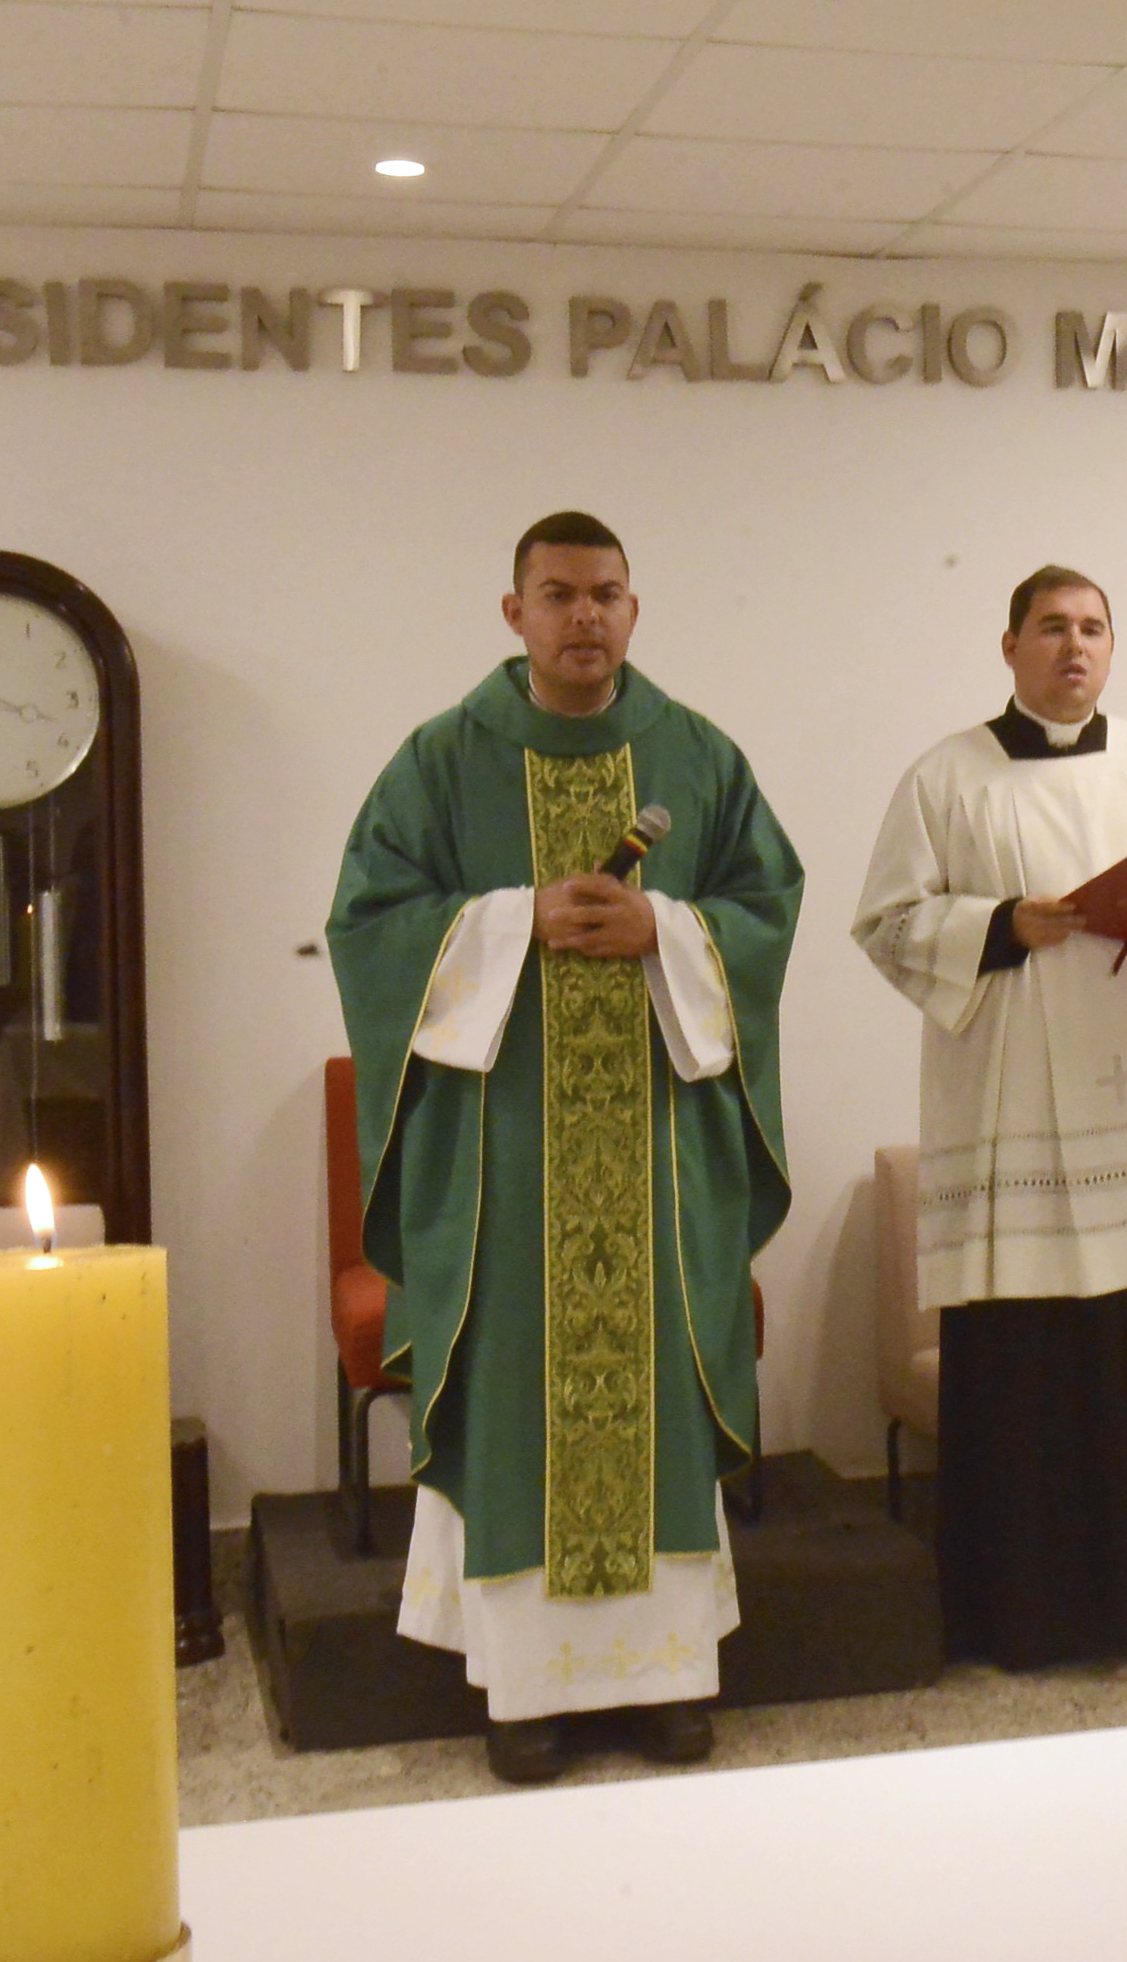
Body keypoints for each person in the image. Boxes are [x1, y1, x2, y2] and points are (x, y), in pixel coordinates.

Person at [329, 511, 800, 1781]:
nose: (584, 616)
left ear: (633, 609)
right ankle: (523, 1690)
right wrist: (509, 921)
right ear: (515, 612)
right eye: (558, 594)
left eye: (605, 594)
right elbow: (367, 923)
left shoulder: (698, 756)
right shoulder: (443, 759)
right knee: (513, 1402)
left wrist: (669, 933)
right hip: (502, 1163)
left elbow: (767, 906)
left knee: (659, 1400)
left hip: (659, 1151)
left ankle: (666, 1679)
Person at [852, 565, 1127, 1667]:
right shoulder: (947, 776)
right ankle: (1036, 1610)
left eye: (1093, 628)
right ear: (1009, 647)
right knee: (1039, 1357)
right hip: (1018, 1101)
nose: (1075, 646)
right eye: (1052, 627)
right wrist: (1005, 923)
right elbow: (887, 922)